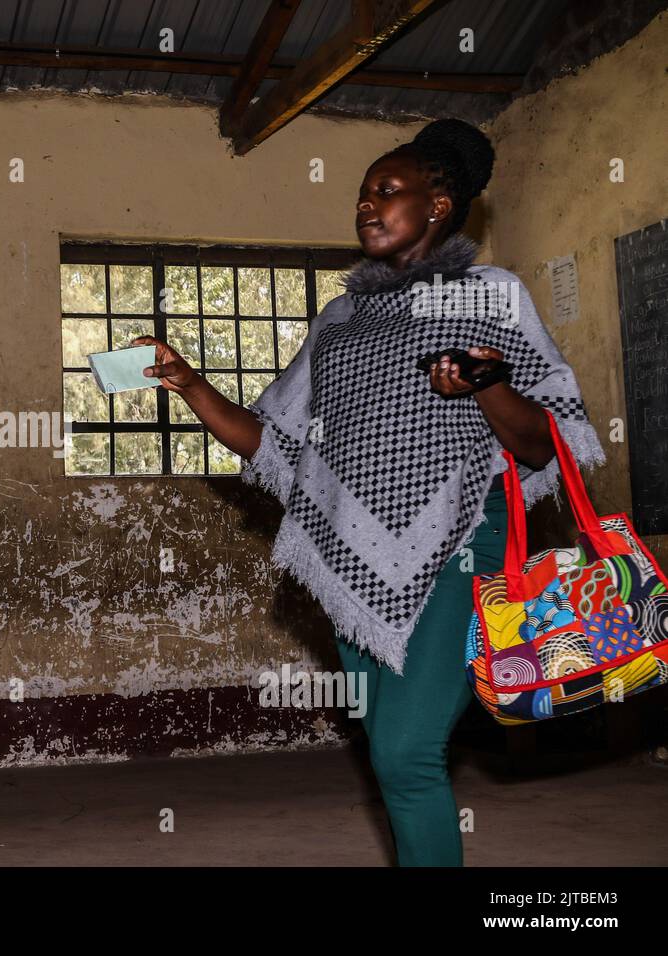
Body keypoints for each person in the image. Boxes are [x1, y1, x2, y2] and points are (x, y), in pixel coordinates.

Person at [133, 118, 606, 866]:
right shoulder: (340, 320)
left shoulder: (492, 295)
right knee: (393, 760)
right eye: (361, 194)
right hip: (349, 566)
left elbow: (547, 442)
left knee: (404, 756)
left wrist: (486, 384)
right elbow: (275, 442)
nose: (366, 205)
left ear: (439, 204)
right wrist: (188, 382)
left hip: (458, 556)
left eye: (387, 191)